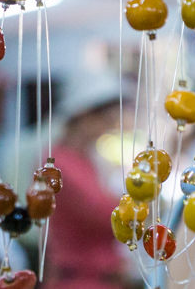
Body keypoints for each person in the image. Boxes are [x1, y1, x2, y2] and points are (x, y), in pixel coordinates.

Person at [44, 73, 132, 289]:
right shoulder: (59, 163)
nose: (108, 124)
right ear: (83, 115)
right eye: (104, 116)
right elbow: (104, 213)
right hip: (79, 281)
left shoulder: (84, 159)